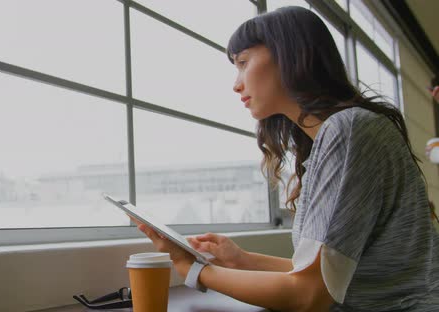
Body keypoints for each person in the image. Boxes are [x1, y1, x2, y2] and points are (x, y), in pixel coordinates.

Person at [136, 6, 439, 311]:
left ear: (289, 55)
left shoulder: (348, 130)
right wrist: (241, 260)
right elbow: (331, 279)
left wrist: (195, 271)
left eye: (243, 62)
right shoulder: (338, 137)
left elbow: (310, 295)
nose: (236, 83)